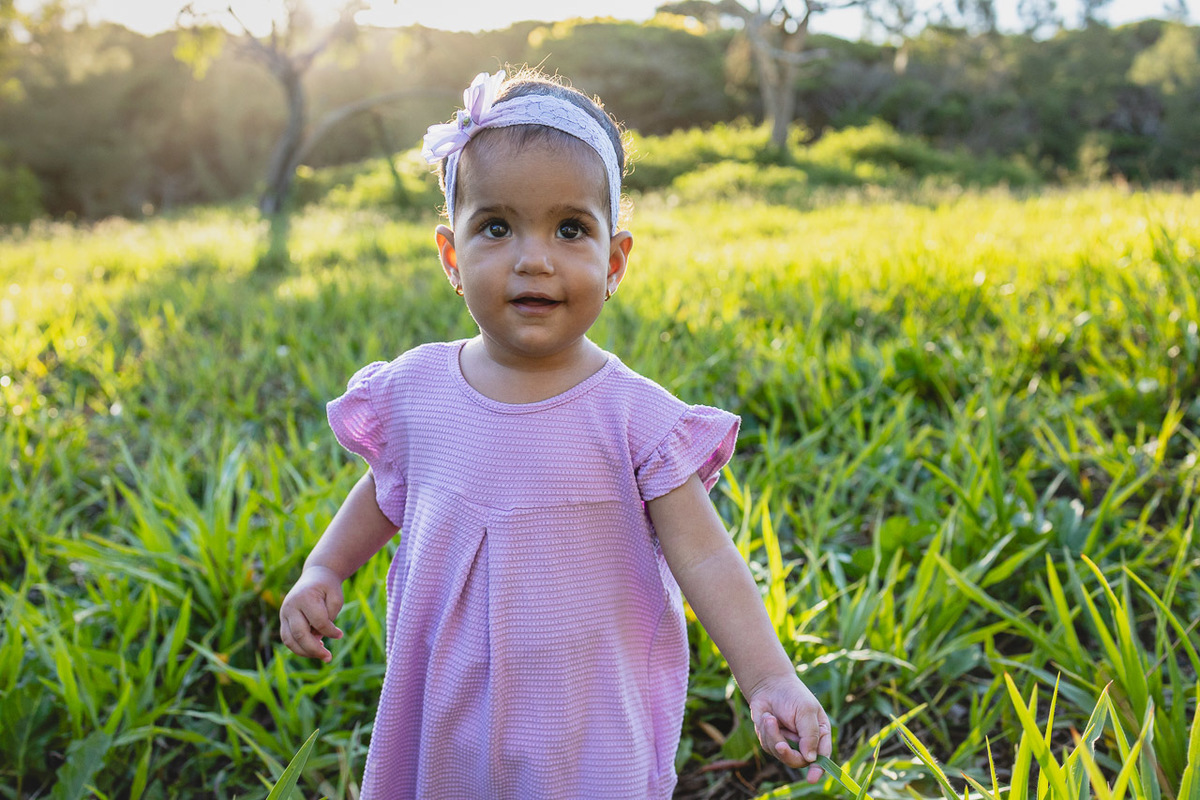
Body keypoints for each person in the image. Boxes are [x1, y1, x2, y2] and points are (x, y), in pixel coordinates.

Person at [278, 68, 833, 799]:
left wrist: (767, 677)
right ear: (451, 256)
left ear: (614, 261)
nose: (533, 258)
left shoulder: (634, 418)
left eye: (570, 229)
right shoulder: (417, 390)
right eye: (496, 227)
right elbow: (389, 492)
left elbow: (704, 555)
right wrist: (324, 568)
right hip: (448, 706)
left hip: (583, 718)